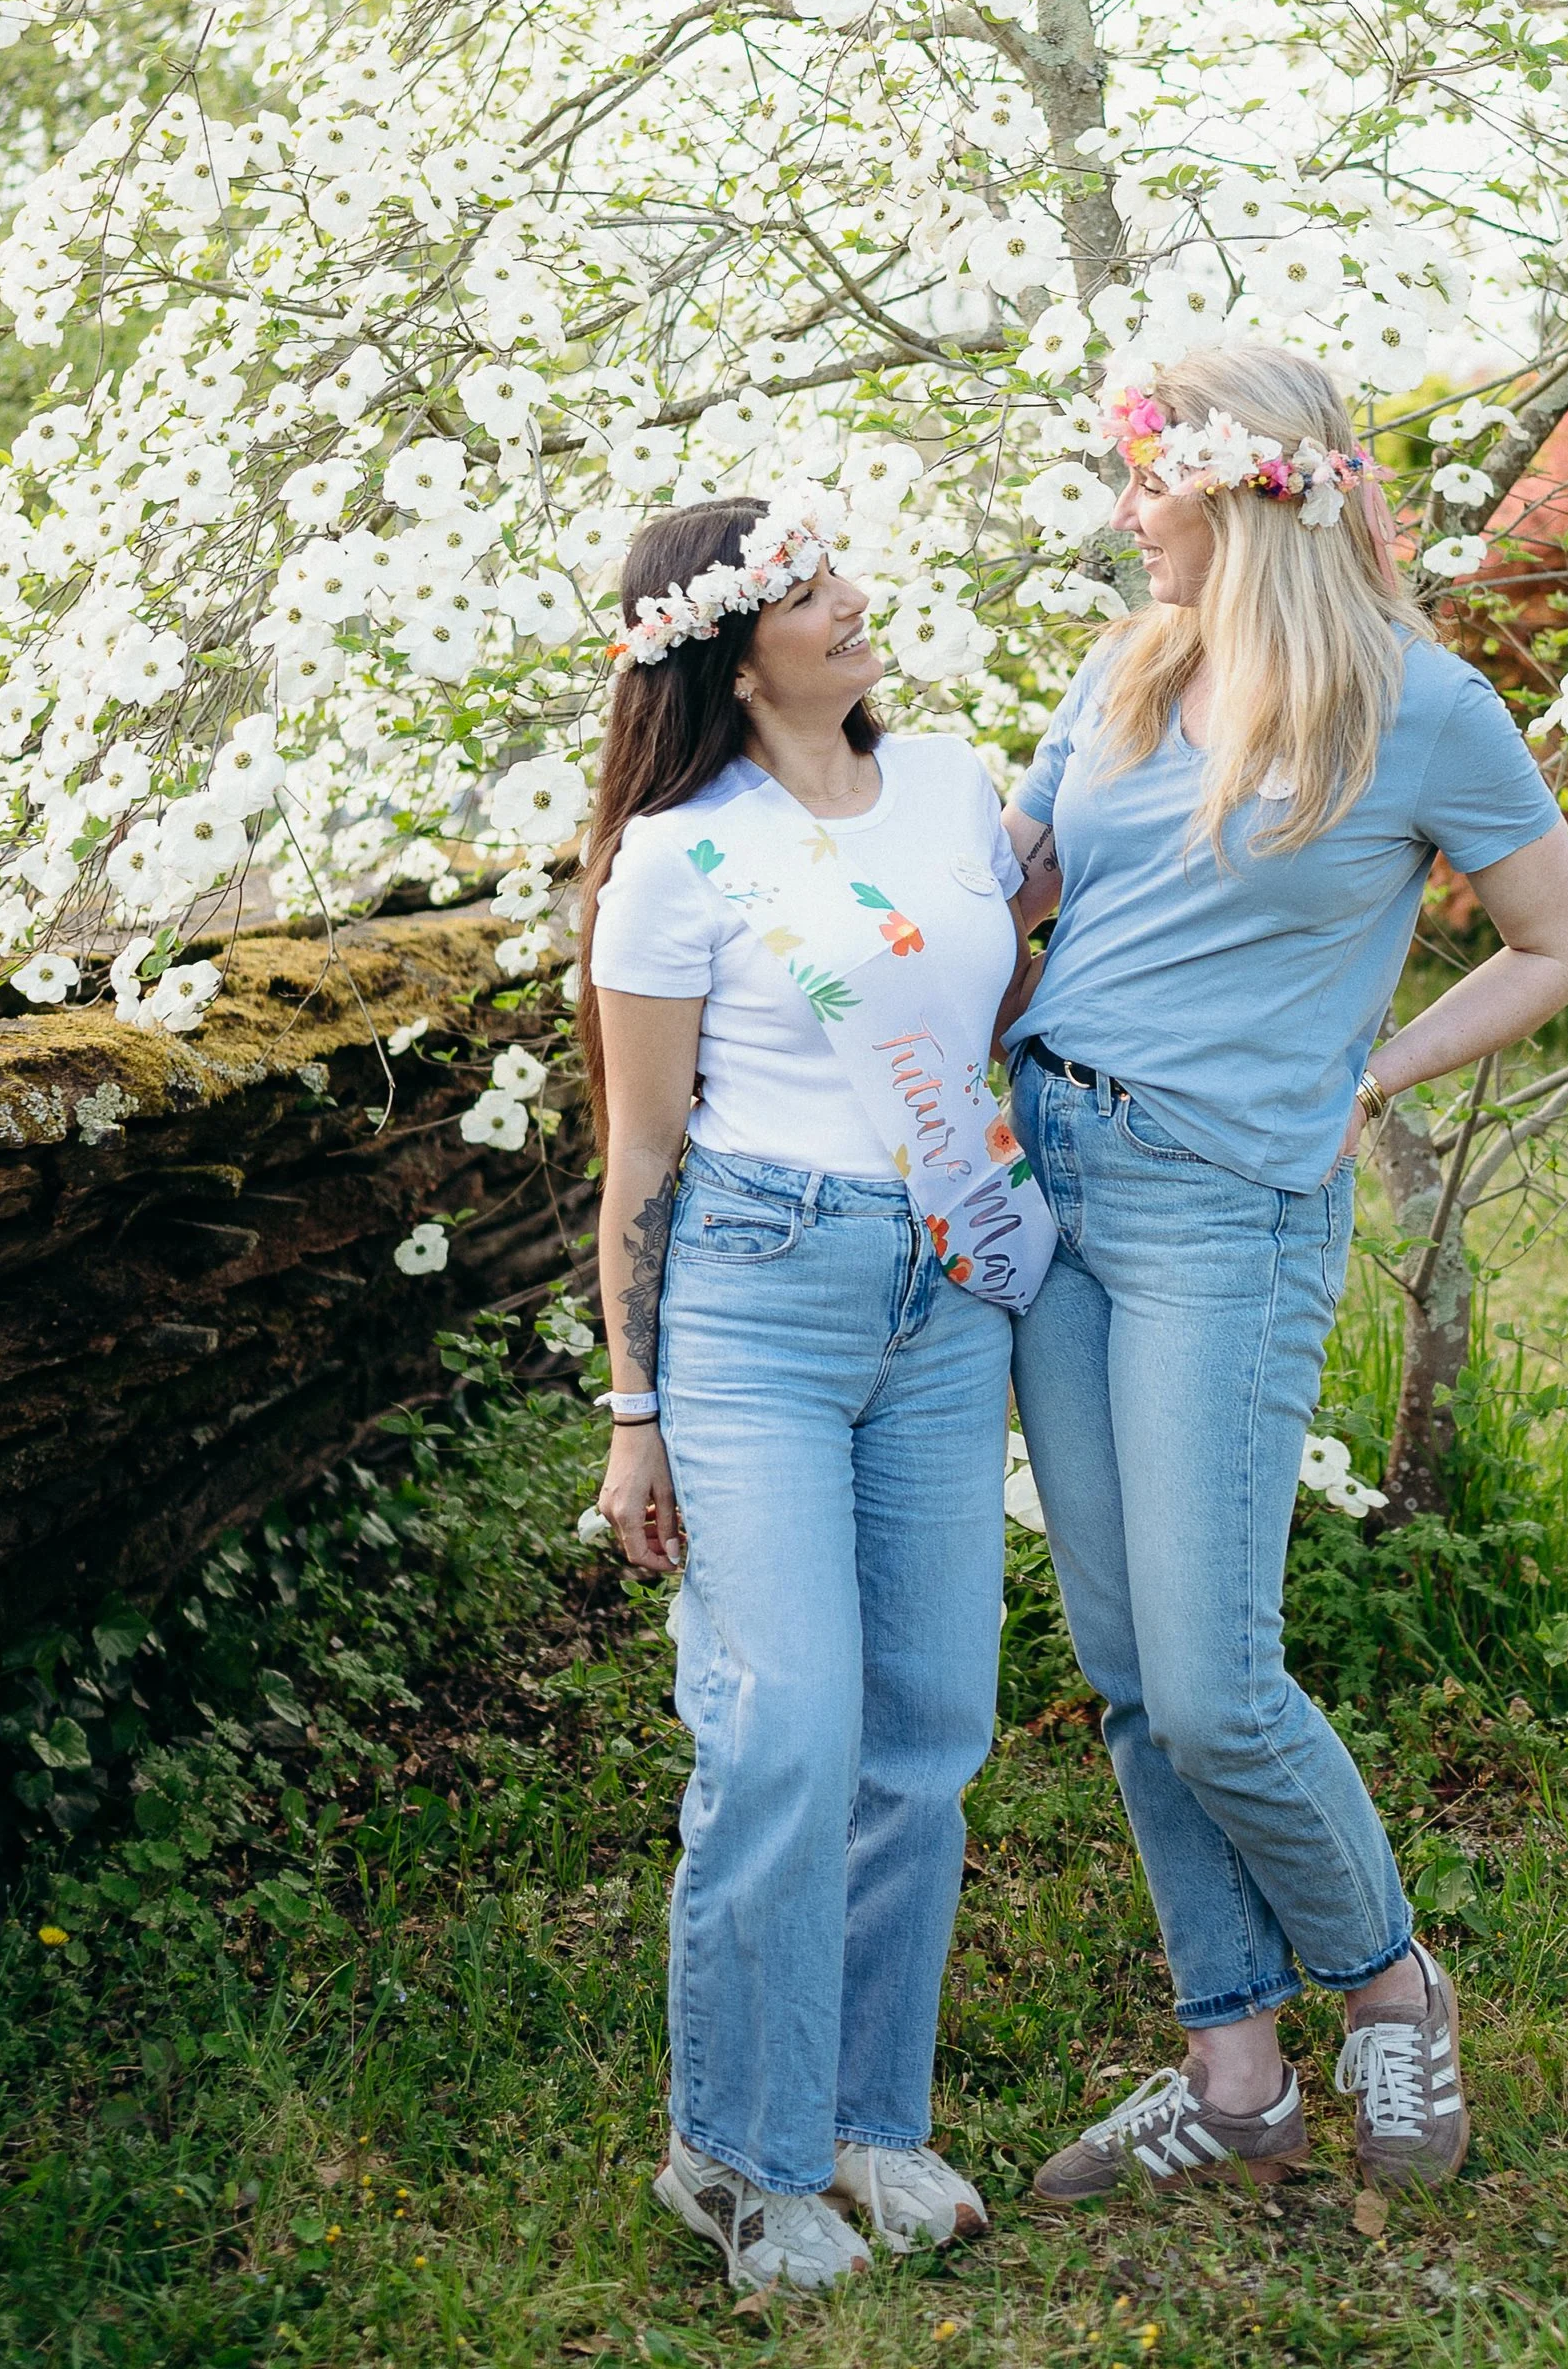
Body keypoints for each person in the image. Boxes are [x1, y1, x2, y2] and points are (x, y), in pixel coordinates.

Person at [999, 340, 1568, 2202]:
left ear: (1243, 491)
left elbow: (1554, 938)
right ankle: (1235, 2074)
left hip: (1224, 1213)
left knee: (1213, 1685)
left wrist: (1383, 1067)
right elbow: (1009, 902)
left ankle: (1393, 1994)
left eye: (1144, 486)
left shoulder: (1423, 709)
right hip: (1058, 1191)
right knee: (1121, 1667)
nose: (1125, 520)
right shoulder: (1122, 680)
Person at [581, 489, 1046, 2295]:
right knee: (784, 1726)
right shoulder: (676, 858)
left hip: (943, 1297)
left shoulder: (952, 785)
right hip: (757, 1302)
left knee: (928, 1729)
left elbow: (993, 994)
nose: (854, 601)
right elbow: (637, 1161)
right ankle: (740, 2158)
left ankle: (871, 2123)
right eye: (806, 586)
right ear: (728, 643)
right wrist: (636, 1413)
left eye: (836, 568)